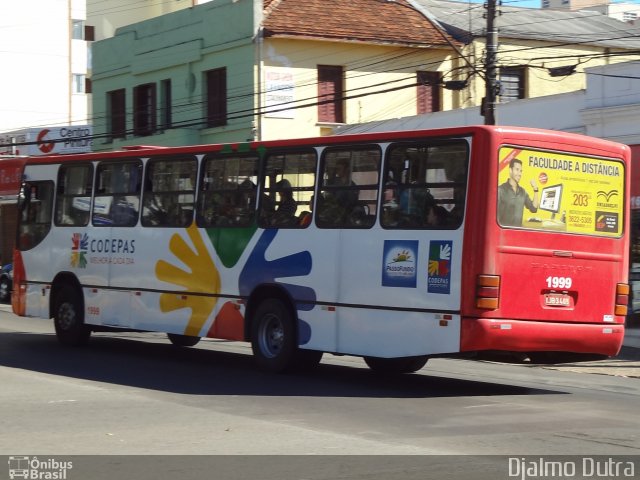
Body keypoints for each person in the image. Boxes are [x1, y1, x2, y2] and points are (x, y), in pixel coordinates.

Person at [497, 158, 539, 227]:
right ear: (510, 170)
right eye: (517, 170)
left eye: (521, 171)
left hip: (517, 235)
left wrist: (535, 189)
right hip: (503, 235)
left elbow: (534, 209)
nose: (519, 174)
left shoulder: (523, 192)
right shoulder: (500, 190)